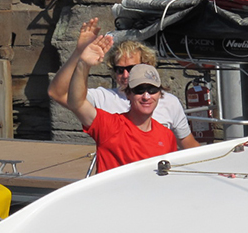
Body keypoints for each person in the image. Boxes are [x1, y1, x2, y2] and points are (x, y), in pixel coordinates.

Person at [49, 17, 199, 149]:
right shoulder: (103, 98)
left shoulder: (170, 103)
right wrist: (79, 54)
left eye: (131, 68)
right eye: (120, 70)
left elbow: (189, 145)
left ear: (147, 66)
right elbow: (58, 93)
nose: (126, 75)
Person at [65, 33, 177, 172]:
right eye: (139, 90)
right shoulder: (109, 126)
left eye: (152, 90)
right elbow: (76, 104)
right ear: (128, 94)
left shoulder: (167, 136)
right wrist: (83, 64)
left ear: (160, 94)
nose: (146, 96)